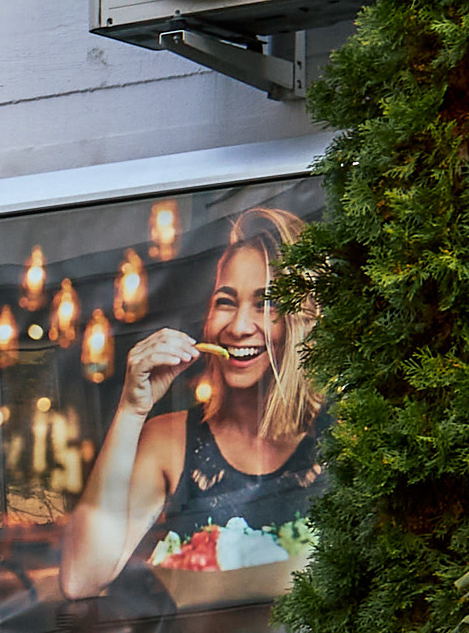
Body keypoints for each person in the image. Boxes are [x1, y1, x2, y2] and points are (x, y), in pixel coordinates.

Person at [61, 204, 326, 598]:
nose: (238, 326)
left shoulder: (346, 436)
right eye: (225, 301)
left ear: (302, 318)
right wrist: (132, 410)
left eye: (266, 303)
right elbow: (81, 578)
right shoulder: (170, 440)